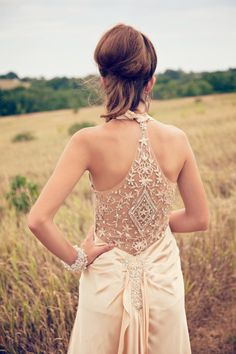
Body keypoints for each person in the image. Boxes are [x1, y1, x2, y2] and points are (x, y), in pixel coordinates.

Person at [27, 23, 209, 354]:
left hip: (106, 284)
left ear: (104, 80)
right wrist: (152, 223)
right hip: (163, 283)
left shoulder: (86, 141)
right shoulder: (178, 140)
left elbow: (38, 219)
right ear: (150, 82)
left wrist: (78, 258)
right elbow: (199, 218)